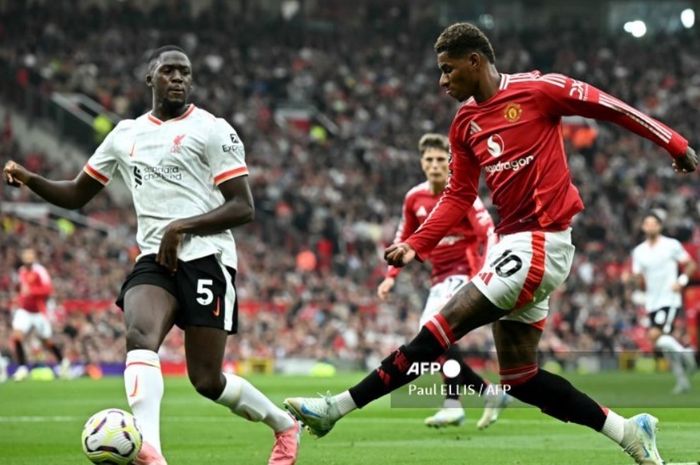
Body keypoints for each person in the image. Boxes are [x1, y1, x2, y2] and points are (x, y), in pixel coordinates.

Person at [284, 23, 698, 465]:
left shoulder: (540, 89)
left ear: (474, 61)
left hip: (541, 242)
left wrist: (674, 143)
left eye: (448, 70)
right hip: (513, 245)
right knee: (521, 378)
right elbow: (459, 195)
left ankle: (335, 408)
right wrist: (415, 246)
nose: (442, 81)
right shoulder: (464, 123)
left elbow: (611, 108)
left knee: (437, 332)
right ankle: (630, 432)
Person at [4, 46, 299, 465]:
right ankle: (151, 453)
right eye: (168, 71)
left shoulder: (213, 130)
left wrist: (181, 227)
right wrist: (30, 178)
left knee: (206, 379)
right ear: (150, 79)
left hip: (207, 259)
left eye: (185, 73)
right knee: (139, 337)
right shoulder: (125, 135)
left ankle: (283, 426)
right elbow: (76, 193)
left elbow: (243, 207)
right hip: (155, 260)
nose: (178, 78)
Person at [377, 132, 509, 429]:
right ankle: (488, 393)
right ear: (422, 163)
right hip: (438, 279)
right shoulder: (414, 198)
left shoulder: (463, 195)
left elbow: (487, 232)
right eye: (429, 160)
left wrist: (484, 271)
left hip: (463, 274)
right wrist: (390, 277)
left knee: (430, 335)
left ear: (449, 163)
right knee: (438, 343)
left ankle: (453, 405)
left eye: (440, 159)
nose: (435, 165)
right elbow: (404, 238)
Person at [630, 210, 697, 394]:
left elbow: (691, 264)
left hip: (669, 298)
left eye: (654, 223)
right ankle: (683, 380)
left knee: (655, 337)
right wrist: (635, 280)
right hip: (652, 301)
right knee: (663, 344)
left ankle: (688, 357)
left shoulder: (671, 245)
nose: (651, 226)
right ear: (643, 227)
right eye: (647, 223)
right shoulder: (639, 251)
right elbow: (638, 278)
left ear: (660, 226)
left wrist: (681, 282)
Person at [10, 247, 71, 381]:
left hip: (39, 312)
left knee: (47, 342)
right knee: (17, 336)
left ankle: (63, 363)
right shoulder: (21, 271)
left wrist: (32, 290)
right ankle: (22, 368)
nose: (27, 260)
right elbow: (21, 289)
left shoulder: (40, 271)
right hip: (24, 310)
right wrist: (19, 297)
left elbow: (48, 289)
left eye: (30, 257)